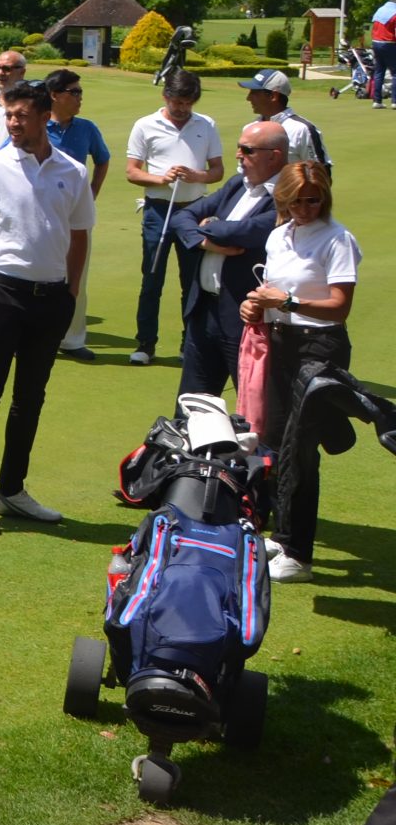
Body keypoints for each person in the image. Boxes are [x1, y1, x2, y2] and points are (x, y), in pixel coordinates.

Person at [0, 81, 93, 534]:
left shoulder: (72, 171)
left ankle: (10, 490)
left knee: (29, 399)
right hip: (1, 293)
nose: (13, 123)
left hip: (50, 297)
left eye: (22, 116)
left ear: (45, 116)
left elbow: (80, 235)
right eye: (9, 116)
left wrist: (70, 294)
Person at [242, 160, 357, 583]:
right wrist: (254, 304)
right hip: (280, 343)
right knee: (273, 441)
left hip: (320, 346)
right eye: (297, 200)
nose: (306, 207)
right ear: (283, 199)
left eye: (315, 199)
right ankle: (282, 532)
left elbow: (339, 306)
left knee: (300, 449)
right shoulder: (277, 236)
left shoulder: (337, 238)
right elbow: (270, 293)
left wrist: (286, 302)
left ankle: (298, 553)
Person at [170, 120, 282, 405]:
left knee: (252, 408)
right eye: (238, 147)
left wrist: (210, 224)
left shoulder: (284, 197)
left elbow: (245, 232)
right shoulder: (236, 185)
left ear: (275, 155)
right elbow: (182, 217)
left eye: (248, 149)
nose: (238, 155)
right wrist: (204, 241)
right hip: (204, 311)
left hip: (244, 317)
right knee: (191, 406)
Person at [123, 70, 225, 366]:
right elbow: (132, 171)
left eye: (188, 103)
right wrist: (160, 178)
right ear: (165, 96)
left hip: (194, 211)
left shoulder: (206, 125)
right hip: (157, 209)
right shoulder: (145, 125)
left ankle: (189, 343)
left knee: (191, 280)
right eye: (177, 101)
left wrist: (197, 175)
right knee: (152, 278)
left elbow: (217, 170)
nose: (181, 108)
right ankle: (145, 344)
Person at [40, 69, 111, 358]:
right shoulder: (38, 126)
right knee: (41, 275)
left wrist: (91, 193)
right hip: (42, 213)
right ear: (55, 96)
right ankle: (36, 337)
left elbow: (103, 160)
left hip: (75, 214)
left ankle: (72, 340)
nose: (80, 97)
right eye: (74, 92)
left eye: (80, 92)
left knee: (76, 275)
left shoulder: (87, 128)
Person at [240, 69, 327, 169]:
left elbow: (320, 174)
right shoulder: (250, 128)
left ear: (273, 96)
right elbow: (243, 171)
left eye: (254, 92)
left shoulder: (301, 130)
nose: (248, 98)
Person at [370, 0, 396, 108]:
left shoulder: (380, 9)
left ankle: (377, 101)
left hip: (376, 43)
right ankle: (394, 101)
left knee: (379, 72)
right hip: (389, 43)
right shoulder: (395, 13)